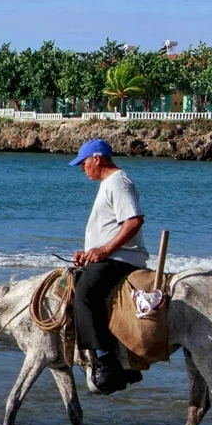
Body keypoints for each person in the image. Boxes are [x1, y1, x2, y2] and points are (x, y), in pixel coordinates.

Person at [68, 138, 149, 394]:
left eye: (84, 163)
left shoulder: (118, 182)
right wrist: (91, 251)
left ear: (97, 159)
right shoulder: (109, 183)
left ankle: (107, 362)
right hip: (109, 256)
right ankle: (120, 359)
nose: (82, 168)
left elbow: (134, 221)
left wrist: (104, 250)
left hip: (122, 258)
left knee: (84, 295)